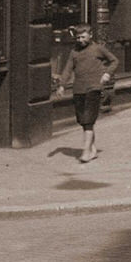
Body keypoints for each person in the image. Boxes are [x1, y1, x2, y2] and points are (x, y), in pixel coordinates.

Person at [55, 25, 118, 164]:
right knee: (83, 121)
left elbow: (114, 61)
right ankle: (92, 149)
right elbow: (67, 69)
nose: (80, 40)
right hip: (78, 90)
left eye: (83, 37)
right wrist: (61, 86)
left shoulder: (98, 49)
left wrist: (107, 73)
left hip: (94, 88)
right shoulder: (74, 52)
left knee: (88, 120)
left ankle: (86, 152)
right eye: (78, 38)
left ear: (90, 35)